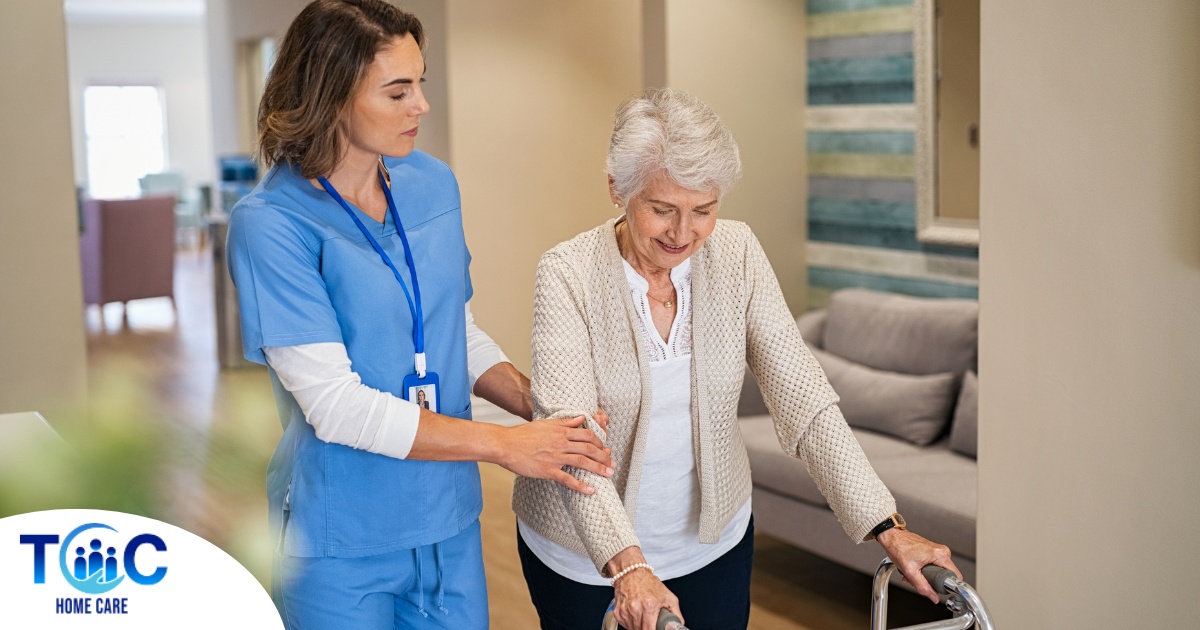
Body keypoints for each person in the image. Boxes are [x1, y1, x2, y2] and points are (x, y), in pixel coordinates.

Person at [226, 1, 615, 627]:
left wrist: (540, 407)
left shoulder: (431, 184)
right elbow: (334, 404)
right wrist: (508, 447)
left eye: (421, 83)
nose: (421, 106)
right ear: (330, 97)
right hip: (342, 538)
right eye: (397, 90)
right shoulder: (271, 224)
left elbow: (449, 328)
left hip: (448, 521)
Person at [511, 88, 960, 630]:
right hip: (584, 558)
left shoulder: (737, 251)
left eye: (704, 209)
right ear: (617, 189)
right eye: (662, 210)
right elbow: (572, 438)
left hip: (712, 544)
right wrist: (629, 567)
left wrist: (887, 524)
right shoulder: (568, 273)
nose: (684, 233)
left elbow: (804, 398)